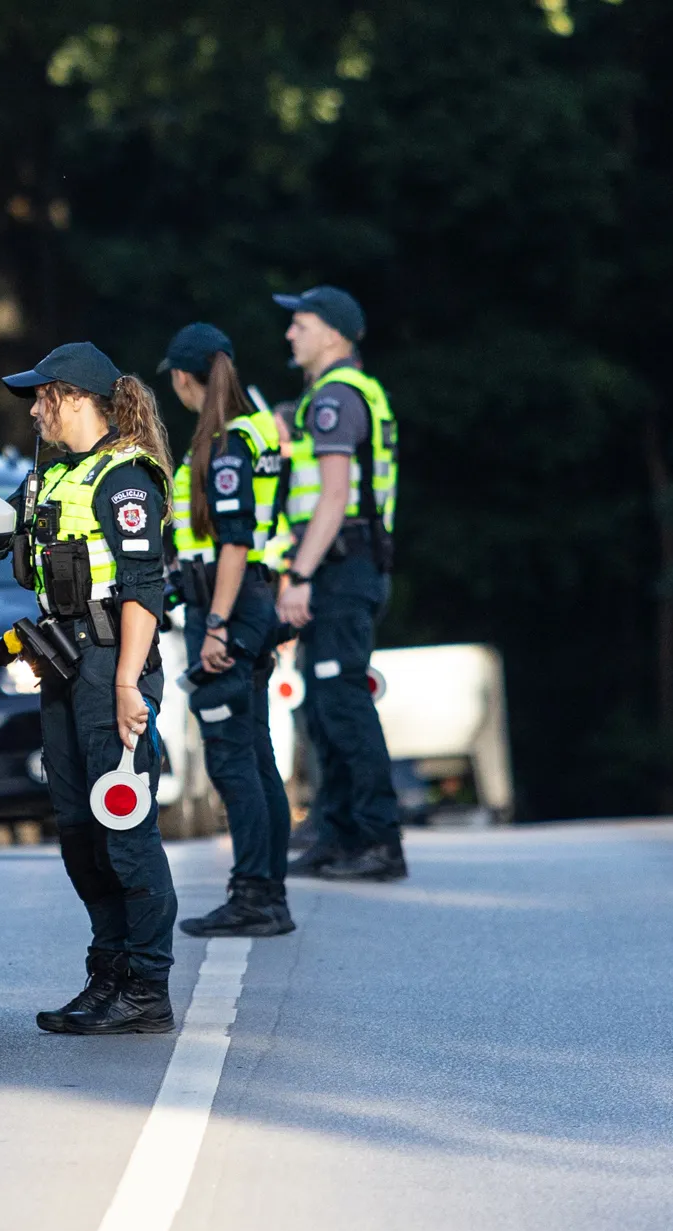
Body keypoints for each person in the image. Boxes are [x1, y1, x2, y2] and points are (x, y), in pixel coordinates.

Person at [0, 342, 182, 1034]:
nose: (35, 409)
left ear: (74, 396)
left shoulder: (125, 478)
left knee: (123, 825)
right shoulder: (52, 476)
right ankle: (109, 974)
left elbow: (142, 590)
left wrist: (130, 684)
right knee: (80, 831)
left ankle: (146, 985)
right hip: (65, 665)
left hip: (112, 665)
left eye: (42, 396)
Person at [157, 324, 295, 936]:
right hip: (252, 602)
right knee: (255, 754)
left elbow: (235, 541)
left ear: (185, 378)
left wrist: (215, 625)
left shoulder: (228, 443)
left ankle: (255, 897)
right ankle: (266, 893)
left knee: (234, 759)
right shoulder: (256, 431)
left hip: (229, 606)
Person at [271, 286, 406, 882]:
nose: (289, 335)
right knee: (326, 705)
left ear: (333, 333)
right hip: (340, 567)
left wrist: (298, 575)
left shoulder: (336, 398)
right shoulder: (327, 400)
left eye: (300, 325)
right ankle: (338, 834)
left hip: (341, 569)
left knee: (343, 703)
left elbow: (333, 498)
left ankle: (379, 839)